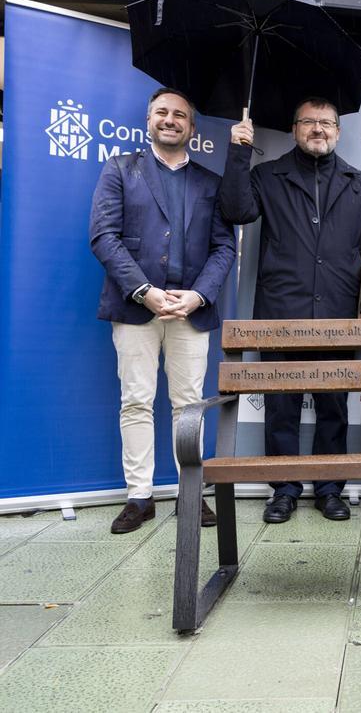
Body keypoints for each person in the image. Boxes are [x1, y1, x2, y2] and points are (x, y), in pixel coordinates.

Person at [220, 98, 361, 525]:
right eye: (309, 121)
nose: (318, 129)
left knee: (333, 407)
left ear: (338, 131)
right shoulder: (266, 175)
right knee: (282, 407)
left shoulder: (359, 183)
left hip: (339, 316)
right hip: (280, 314)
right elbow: (236, 211)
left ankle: (331, 489)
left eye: (326, 123)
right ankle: (284, 490)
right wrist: (238, 152)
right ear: (295, 128)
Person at [89, 87, 236, 534]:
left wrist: (199, 295)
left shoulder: (212, 182)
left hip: (191, 310)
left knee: (188, 405)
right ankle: (140, 496)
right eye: (161, 113)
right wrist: (143, 291)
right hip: (136, 307)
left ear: (192, 128)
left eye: (179, 115)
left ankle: (189, 496)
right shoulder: (120, 169)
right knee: (135, 401)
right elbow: (104, 237)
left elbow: (224, 246)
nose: (170, 120)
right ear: (149, 120)